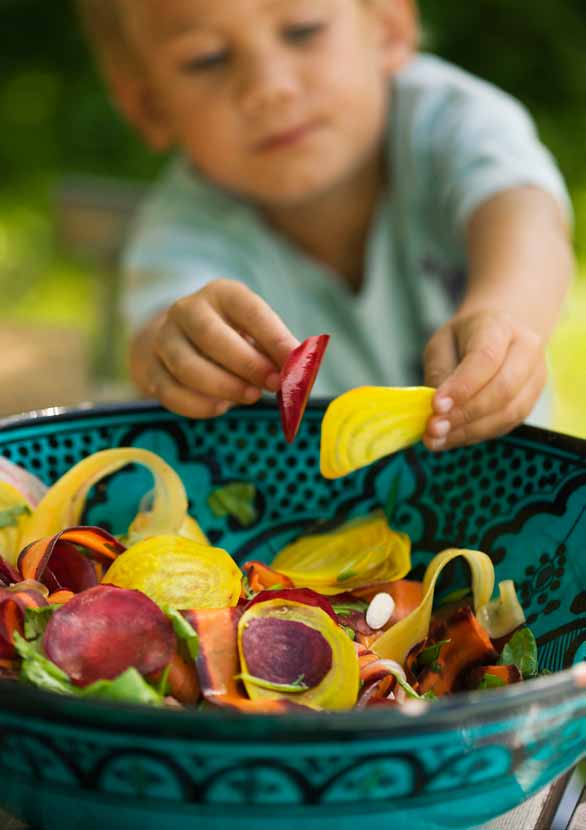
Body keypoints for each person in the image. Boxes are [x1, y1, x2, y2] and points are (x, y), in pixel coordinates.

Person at [76, 0, 574, 452]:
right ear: (149, 106)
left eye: (302, 30)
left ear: (388, 27)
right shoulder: (181, 224)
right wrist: (175, 352)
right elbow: (154, 341)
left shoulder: (454, 120)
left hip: (491, 487)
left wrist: (505, 316)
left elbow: (528, 216)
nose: (269, 87)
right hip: (304, 524)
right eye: (206, 59)